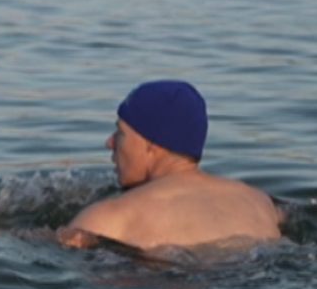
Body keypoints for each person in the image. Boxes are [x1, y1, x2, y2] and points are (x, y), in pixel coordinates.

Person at [58, 80, 282, 252]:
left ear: (152, 143)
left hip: (161, 288)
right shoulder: (260, 202)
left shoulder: (110, 218)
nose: (110, 142)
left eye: (122, 133)